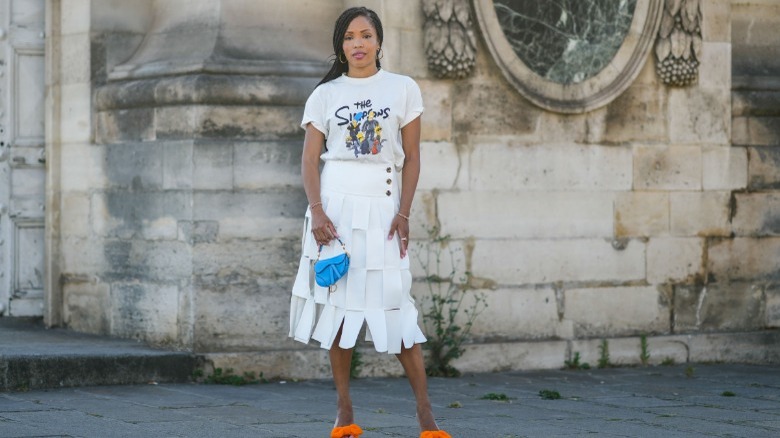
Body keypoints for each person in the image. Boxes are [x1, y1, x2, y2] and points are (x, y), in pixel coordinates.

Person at [288, 6, 452, 438]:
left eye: (365, 35)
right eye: (348, 37)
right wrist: (318, 211)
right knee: (340, 314)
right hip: (335, 212)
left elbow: (413, 158)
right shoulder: (324, 95)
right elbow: (308, 160)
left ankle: (426, 416)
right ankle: (344, 412)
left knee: (396, 307)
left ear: (379, 41)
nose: (357, 44)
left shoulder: (402, 88)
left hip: (383, 211)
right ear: (340, 46)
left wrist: (403, 213)